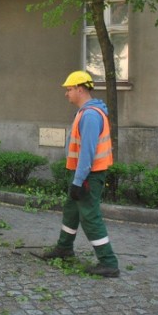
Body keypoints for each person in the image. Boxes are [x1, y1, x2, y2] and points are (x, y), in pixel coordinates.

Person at [40, 71, 120, 278]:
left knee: (90, 216)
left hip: (88, 176)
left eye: (69, 90)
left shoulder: (91, 115)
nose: (67, 94)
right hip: (83, 174)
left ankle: (108, 262)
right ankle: (64, 248)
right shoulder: (85, 113)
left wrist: (78, 181)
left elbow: (88, 152)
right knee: (72, 210)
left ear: (80, 89)